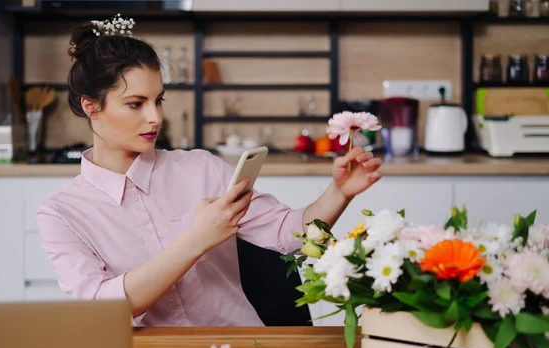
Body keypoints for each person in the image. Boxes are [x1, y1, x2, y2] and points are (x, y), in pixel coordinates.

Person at [35, 16, 383, 327]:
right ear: (90, 106)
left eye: (159, 100)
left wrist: (339, 192)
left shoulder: (200, 168)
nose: (155, 117)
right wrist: (197, 239)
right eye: (135, 104)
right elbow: (101, 309)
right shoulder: (61, 214)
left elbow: (288, 235)